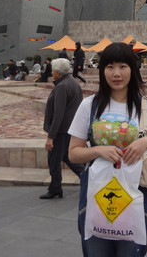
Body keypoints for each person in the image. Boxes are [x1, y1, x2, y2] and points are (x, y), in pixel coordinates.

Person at [68, 43, 147, 255]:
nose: (116, 73)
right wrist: (98, 151)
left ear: (132, 70)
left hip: (135, 196)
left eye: (123, 66)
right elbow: (73, 153)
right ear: (102, 71)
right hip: (96, 196)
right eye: (110, 67)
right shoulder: (89, 106)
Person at [40, 58, 85, 199]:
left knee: (54, 160)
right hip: (70, 128)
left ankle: (55, 188)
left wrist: (50, 136)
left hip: (61, 131)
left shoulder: (62, 86)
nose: (51, 72)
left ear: (58, 73)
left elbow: (58, 114)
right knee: (67, 156)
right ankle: (88, 178)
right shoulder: (73, 82)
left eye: (53, 70)